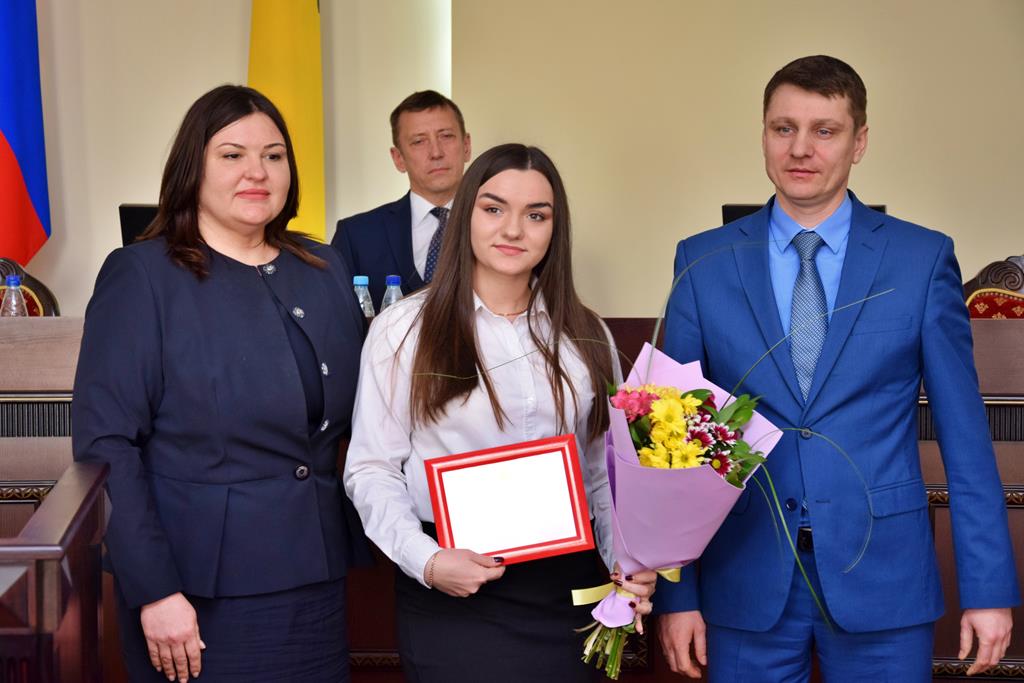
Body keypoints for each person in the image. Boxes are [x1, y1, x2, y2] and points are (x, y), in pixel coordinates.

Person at [656, 55, 1019, 681]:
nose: (801, 148)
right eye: (784, 128)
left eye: (824, 130)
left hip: (885, 578)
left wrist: (988, 590)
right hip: (741, 580)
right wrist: (677, 594)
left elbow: (965, 439)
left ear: (860, 142)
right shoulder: (701, 261)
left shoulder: (921, 258)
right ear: (763, 134)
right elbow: (673, 443)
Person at [72, 85, 370, 683]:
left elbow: (367, 412)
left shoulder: (322, 267)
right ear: (194, 168)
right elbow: (106, 445)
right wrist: (154, 590)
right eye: (232, 155)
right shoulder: (142, 274)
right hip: (194, 593)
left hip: (315, 575)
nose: (257, 172)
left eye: (274, 156)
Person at [344, 143, 656, 682]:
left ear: (555, 230)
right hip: (453, 584)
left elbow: (602, 473)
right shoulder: (403, 330)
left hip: (567, 587)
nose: (513, 230)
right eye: (494, 209)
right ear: (465, 215)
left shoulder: (586, 334)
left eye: (536, 215)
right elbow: (371, 468)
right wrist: (426, 560)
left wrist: (624, 562)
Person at [331, 90, 472, 309]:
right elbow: (337, 319)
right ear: (398, 158)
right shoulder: (357, 236)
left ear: (466, 146)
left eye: (446, 136)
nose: (436, 152)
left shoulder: (499, 226)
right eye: (419, 141)